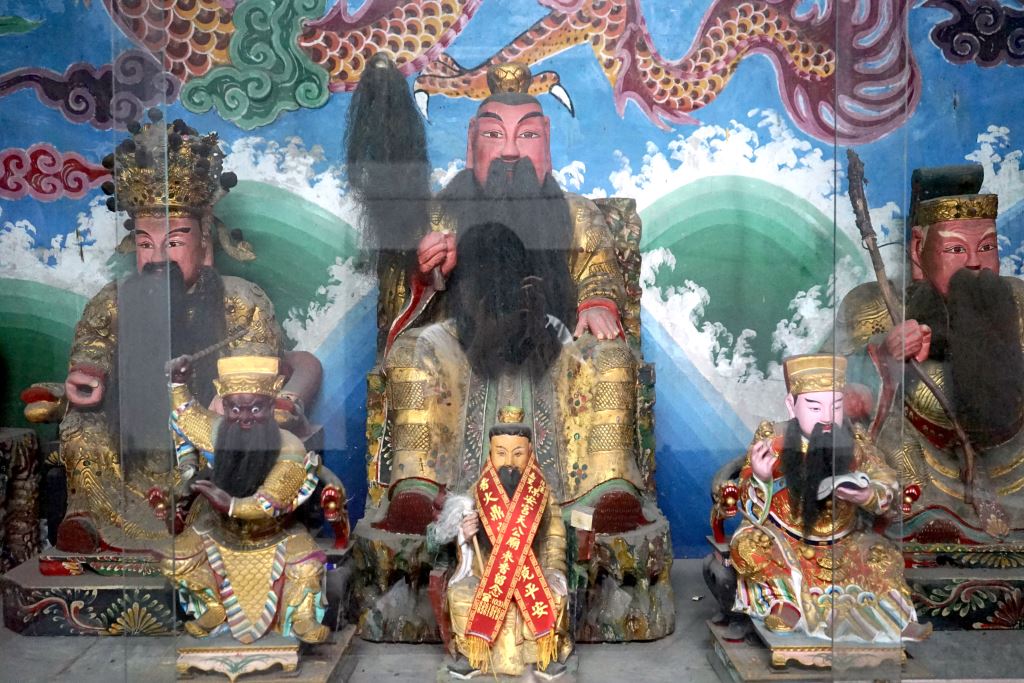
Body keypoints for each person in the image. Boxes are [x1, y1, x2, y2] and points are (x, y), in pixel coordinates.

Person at [352, 62, 646, 534]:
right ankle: (420, 488)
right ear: (472, 142)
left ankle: (604, 487)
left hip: (555, 343)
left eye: (527, 135)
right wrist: (428, 274)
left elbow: (598, 273)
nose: (510, 151)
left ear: (547, 142)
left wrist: (597, 303)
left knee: (610, 357)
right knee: (412, 352)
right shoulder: (441, 212)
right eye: (494, 134)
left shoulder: (578, 214)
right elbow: (406, 297)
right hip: (466, 345)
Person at [47, 113, 321, 553]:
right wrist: (89, 377)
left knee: (237, 433)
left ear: (204, 242)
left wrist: (224, 402)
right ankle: (89, 516)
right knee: (81, 426)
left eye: (173, 242)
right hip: (130, 433)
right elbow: (93, 348)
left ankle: (210, 519)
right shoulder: (113, 300)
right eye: (145, 243)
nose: (157, 256)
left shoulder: (240, 298)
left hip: (209, 426)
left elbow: (257, 363)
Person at [833, 167, 1023, 540]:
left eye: (987, 247)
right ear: (918, 252)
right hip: (923, 471)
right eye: (956, 249)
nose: (975, 262)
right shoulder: (874, 305)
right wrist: (884, 355)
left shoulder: (1016, 300)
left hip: (1012, 462)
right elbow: (825, 386)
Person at [730, 354, 930, 642]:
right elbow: (747, 504)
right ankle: (784, 604)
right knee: (748, 546)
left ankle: (895, 617)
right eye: (814, 407)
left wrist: (867, 494)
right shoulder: (772, 439)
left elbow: (886, 480)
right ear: (792, 406)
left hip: (843, 541)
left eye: (835, 406)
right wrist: (761, 477)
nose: (826, 416)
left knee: (883, 557)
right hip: (785, 540)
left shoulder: (856, 442)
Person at [156, 355, 328, 644]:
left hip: (275, 534)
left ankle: (301, 616)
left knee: (307, 565)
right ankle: (212, 607)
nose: (245, 417)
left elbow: (272, 500)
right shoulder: (216, 432)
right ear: (224, 407)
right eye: (235, 409)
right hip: (219, 530)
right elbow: (186, 416)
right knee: (174, 559)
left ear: (271, 406)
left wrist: (231, 504)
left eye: (256, 408)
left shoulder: (289, 448)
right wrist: (177, 384)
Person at [430, 406, 571, 679]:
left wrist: (554, 570)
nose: (509, 462)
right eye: (501, 453)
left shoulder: (542, 494)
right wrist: (465, 537)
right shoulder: (478, 493)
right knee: (459, 595)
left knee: (553, 595)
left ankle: (542, 658)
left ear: (530, 453)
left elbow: (554, 539)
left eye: (518, 454)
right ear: (490, 454)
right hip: (486, 575)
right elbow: (465, 547)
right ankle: (474, 656)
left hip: (532, 574)